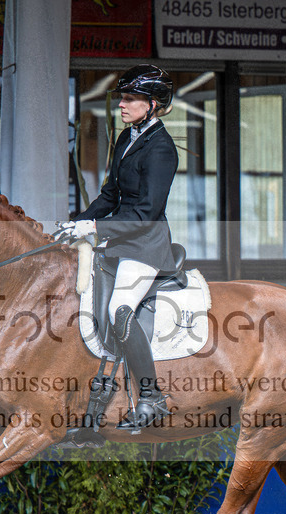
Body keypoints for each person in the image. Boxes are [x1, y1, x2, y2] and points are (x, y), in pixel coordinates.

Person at [56, 64, 179, 430]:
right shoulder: (128, 138)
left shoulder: (162, 150)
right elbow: (111, 193)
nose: (122, 105)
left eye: (130, 99)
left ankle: (152, 397)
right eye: (122, 98)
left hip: (144, 244)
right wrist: (79, 220)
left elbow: (146, 212)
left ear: (152, 104)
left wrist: (96, 226)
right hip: (116, 239)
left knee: (119, 308)